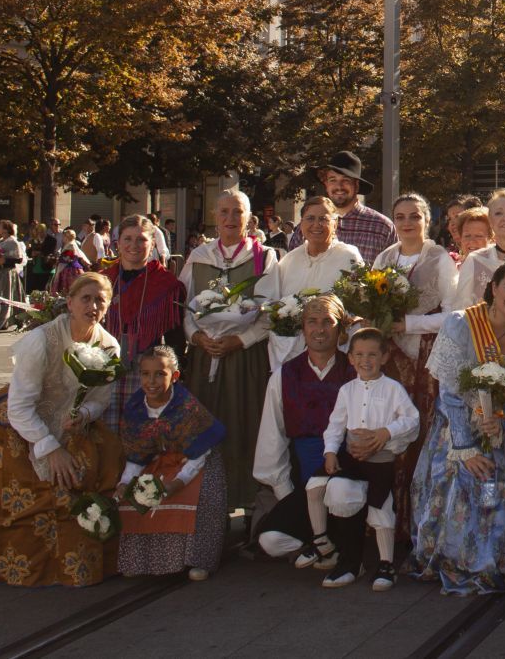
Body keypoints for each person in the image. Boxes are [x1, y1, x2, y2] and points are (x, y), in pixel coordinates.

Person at [0, 273, 123, 585]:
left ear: (108, 306)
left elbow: (101, 400)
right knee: (17, 499)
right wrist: (49, 446)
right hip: (21, 426)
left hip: (71, 427)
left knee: (96, 472)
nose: (93, 305)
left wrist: (83, 414)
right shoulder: (41, 341)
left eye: (100, 300)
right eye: (86, 298)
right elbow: (19, 406)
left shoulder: (109, 345)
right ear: (70, 303)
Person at [407, 260, 505, 593]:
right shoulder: (460, 322)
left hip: (495, 429)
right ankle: (452, 559)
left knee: (492, 494)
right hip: (456, 429)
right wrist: (465, 446)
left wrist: (501, 421)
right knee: (458, 490)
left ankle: (489, 563)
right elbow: (449, 392)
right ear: (493, 288)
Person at [290, 328, 418, 590]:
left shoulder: (393, 389)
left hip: (380, 460)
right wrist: (330, 452)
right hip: (352, 458)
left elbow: (411, 419)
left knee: (380, 509)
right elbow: (335, 425)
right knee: (322, 487)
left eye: (372, 354)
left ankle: (386, 565)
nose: (365, 360)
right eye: (359, 354)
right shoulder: (347, 390)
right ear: (350, 358)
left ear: (384, 357)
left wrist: (385, 432)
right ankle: (327, 544)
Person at [180, 190, 280, 514]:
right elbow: (184, 307)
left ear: (248, 218)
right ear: (214, 215)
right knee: (205, 432)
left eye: (237, 212)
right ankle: (207, 512)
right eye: (223, 212)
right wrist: (195, 336)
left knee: (243, 430)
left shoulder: (263, 257)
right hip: (204, 356)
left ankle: (247, 508)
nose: (230, 219)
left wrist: (241, 340)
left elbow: (270, 313)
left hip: (244, 359)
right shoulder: (199, 256)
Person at [372, 192, 458, 532]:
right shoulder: (385, 257)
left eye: (415, 216)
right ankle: (386, 523)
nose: (408, 223)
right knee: (391, 431)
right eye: (401, 216)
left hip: (427, 356)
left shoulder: (439, 258)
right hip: (391, 356)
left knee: (422, 433)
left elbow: (452, 315)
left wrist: (408, 324)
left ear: (426, 220)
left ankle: (421, 525)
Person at [253, 295, 355, 560]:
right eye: (312, 322)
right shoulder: (284, 376)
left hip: (349, 473)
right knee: (271, 541)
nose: (319, 329)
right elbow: (271, 438)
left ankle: (340, 545)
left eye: (327, 322)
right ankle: (319, 542)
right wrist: (288, 494)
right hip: (304, 479)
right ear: (303, 328)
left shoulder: (356, 371)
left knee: (342, 497)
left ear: (340, 328)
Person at [116, 345, 228, 581]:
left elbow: (200, 454)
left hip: (196, 462)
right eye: (146, 374)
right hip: (159, 460)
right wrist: (125, 482)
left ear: (174, 377)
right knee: (134, 495)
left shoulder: (187, 407)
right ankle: (142, 561)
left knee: (201, 495)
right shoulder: (135, 409)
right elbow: (136, 454)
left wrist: (179, 481)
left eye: (160, 374)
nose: (152, 381)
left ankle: (197, 559)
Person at [100, 215, 187, 431]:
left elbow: (175, 338)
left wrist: (175, 376)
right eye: (127, 239)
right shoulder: (102, 280)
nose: (134, 246)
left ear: (153, 243)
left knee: (142, 438)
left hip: (147, 372)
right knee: (104, 437)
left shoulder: (167, 285)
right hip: (104, 368)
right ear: (118, 243)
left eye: (141, 240)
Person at [257, 196, 363, 369]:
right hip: (291, 355)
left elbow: (359, 307)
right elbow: (276, 306)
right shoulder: (289, 260)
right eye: (310, 218)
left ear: (335, 224)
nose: (316, 224)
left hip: (337, 356)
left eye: (323, 219)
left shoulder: (349, 257)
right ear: (301, 224)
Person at [289, 151, 396, 263]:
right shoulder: (307, 228)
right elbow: (291, 270)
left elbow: (395, 274)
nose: (339, 186)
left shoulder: (381, 227)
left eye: (346, 180)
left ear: (357, 185)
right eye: (333, 180)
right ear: (326, 185)